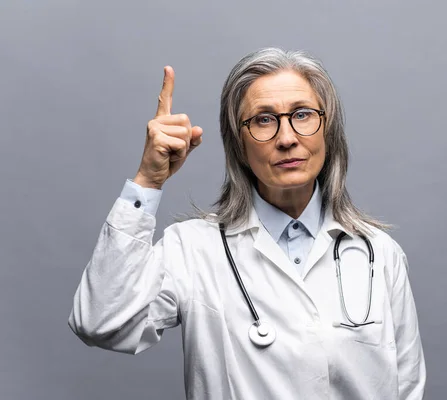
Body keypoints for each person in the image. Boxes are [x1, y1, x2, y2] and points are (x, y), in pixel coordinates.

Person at [68, 48, 426, 399]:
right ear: (238, 144)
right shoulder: (192, 249)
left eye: (302, 115)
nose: (287, 138)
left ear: (326, 130)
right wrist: (148, 180)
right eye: (264, 120)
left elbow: (406, 388)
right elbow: (102, 323)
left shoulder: (378, 253)